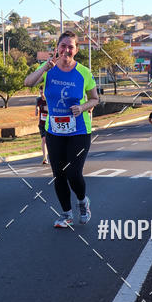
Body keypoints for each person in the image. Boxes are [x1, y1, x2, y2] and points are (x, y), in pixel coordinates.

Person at [25, 31, 99, 228]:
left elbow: (95, 98)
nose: (66, 50)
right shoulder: (48, 69)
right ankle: (66, 214)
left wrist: (82, 107)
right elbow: (28, 83)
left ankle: (83, 202)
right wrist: (43, 68)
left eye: (71, 46)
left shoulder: (84, 72)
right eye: (63, 45)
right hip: (54, 130)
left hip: (79, 130)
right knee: (58, 174)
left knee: (74, 173)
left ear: (76, 50)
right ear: (57, 47)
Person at [35, 91, 49, 164]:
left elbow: (49, 109)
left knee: (50, 141)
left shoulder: (49, 99)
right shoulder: (38, 99)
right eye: (40, 93)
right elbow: (37, 107)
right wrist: (37, 110)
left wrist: (43, 108)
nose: (41, 94)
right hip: (42, 124)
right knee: (44, 140)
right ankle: (45, 158)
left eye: (42, 93)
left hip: (49, 123)